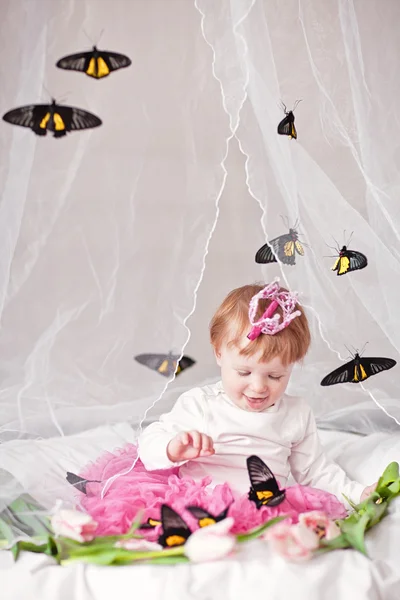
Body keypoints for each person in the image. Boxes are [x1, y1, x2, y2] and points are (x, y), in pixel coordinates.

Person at [77, 278, 375, 537]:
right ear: (219, 353)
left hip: (263, 506)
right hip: (198, 504)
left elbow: (316, 471)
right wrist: (173, 448)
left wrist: (356, 493)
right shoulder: (201, 405)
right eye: (244, 373)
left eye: (275, 376)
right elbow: (150, 443)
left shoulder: (296, 413)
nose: (258, 387)